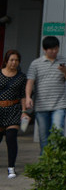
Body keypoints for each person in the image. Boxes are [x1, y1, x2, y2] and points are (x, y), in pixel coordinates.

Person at [25, 36, 66, 154]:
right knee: (44, 136)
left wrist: (65, 71)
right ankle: (45, 162)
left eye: (56, 48)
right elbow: (30, 82)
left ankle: (56, 159)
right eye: (51, 49)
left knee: (58, 131)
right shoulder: (36, 64)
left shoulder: (64, 61)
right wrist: (28, 97)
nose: (54, 51)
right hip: (41, 106)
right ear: (44, 49)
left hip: (59, 104)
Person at [0, 50, 28, 178]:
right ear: (6, 61)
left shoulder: (21, 77)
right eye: (11, 60)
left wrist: (24, 111)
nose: (14, 62)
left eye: (16, 60)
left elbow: (23, 95)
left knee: (11, 138)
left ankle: (11, 167)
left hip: (14, 109)